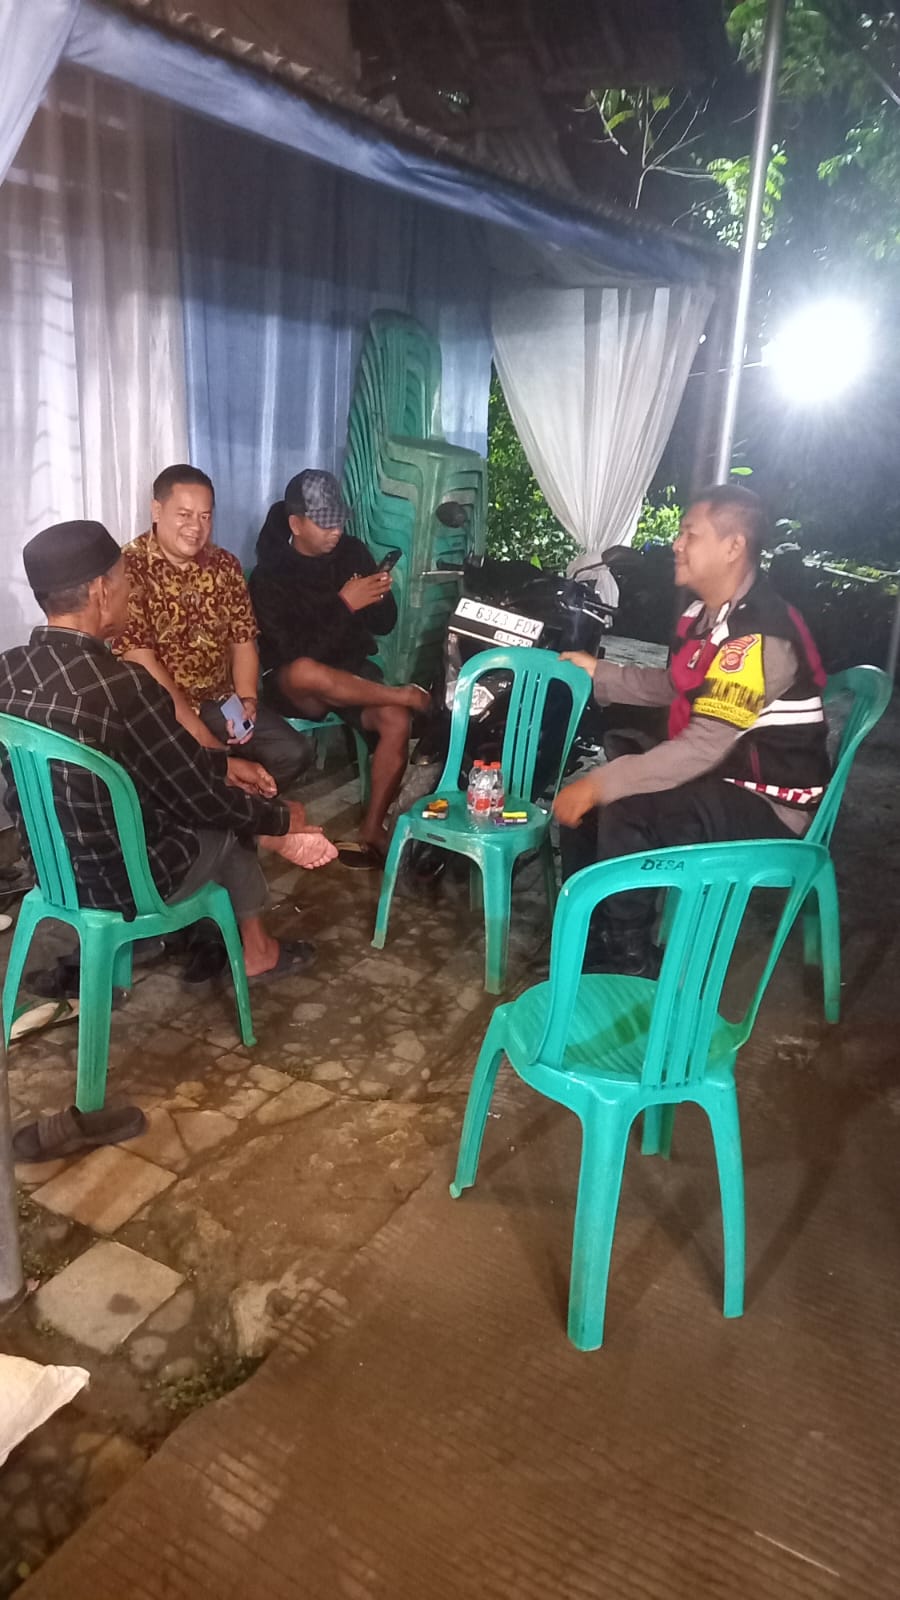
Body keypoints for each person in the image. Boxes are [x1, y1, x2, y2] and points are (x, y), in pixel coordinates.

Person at [0, 520, 337, 990]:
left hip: (52, 871)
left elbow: (136, 766)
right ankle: (257, 950)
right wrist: (278, 820)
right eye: (124, 580)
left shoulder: (8, 670)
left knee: (198, 796)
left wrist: (223, 764)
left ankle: (156, 942)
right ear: (101, 591)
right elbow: (198, 799)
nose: (130, 591)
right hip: (123, 885)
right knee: (224, 823)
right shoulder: (124, 687)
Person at [553, 485, 831, 975]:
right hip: (725, 777)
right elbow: (674, 685)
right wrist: (601, 672)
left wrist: (601, 784)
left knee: (626, 804)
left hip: (769, 803)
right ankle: (592, 936)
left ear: (733, 546)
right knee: (592, 802)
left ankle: (632, 960)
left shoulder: (756, 637)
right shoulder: (705, 617)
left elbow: (702, 746)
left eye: (690, 533)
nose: (676, 544)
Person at [250, 470, 430, 869]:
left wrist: (378, 595)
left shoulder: (351, 553)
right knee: (305, 671)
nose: (336, 532)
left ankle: (372, 829)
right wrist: (344, 605)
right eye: (325, 523)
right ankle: (401, 693)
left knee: (396, 720)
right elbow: (292, 651)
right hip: (297, 687)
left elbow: (383, 626)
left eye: (339, 521)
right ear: (296, 523)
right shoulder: (269, 575)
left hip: (352, 672)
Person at [111, 464, 312, 794]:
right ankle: (224, 806)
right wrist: (210, 749)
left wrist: (246, 699)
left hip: (219, 702)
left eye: (205, 516)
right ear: (157, 510)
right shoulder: (127, 569)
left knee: (293, 753)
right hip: (161, 712)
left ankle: (233, 808)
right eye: (185, 515)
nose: (196, 527)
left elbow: (243, 641)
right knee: (193, 772)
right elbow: (143, 665)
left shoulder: (225, 565)